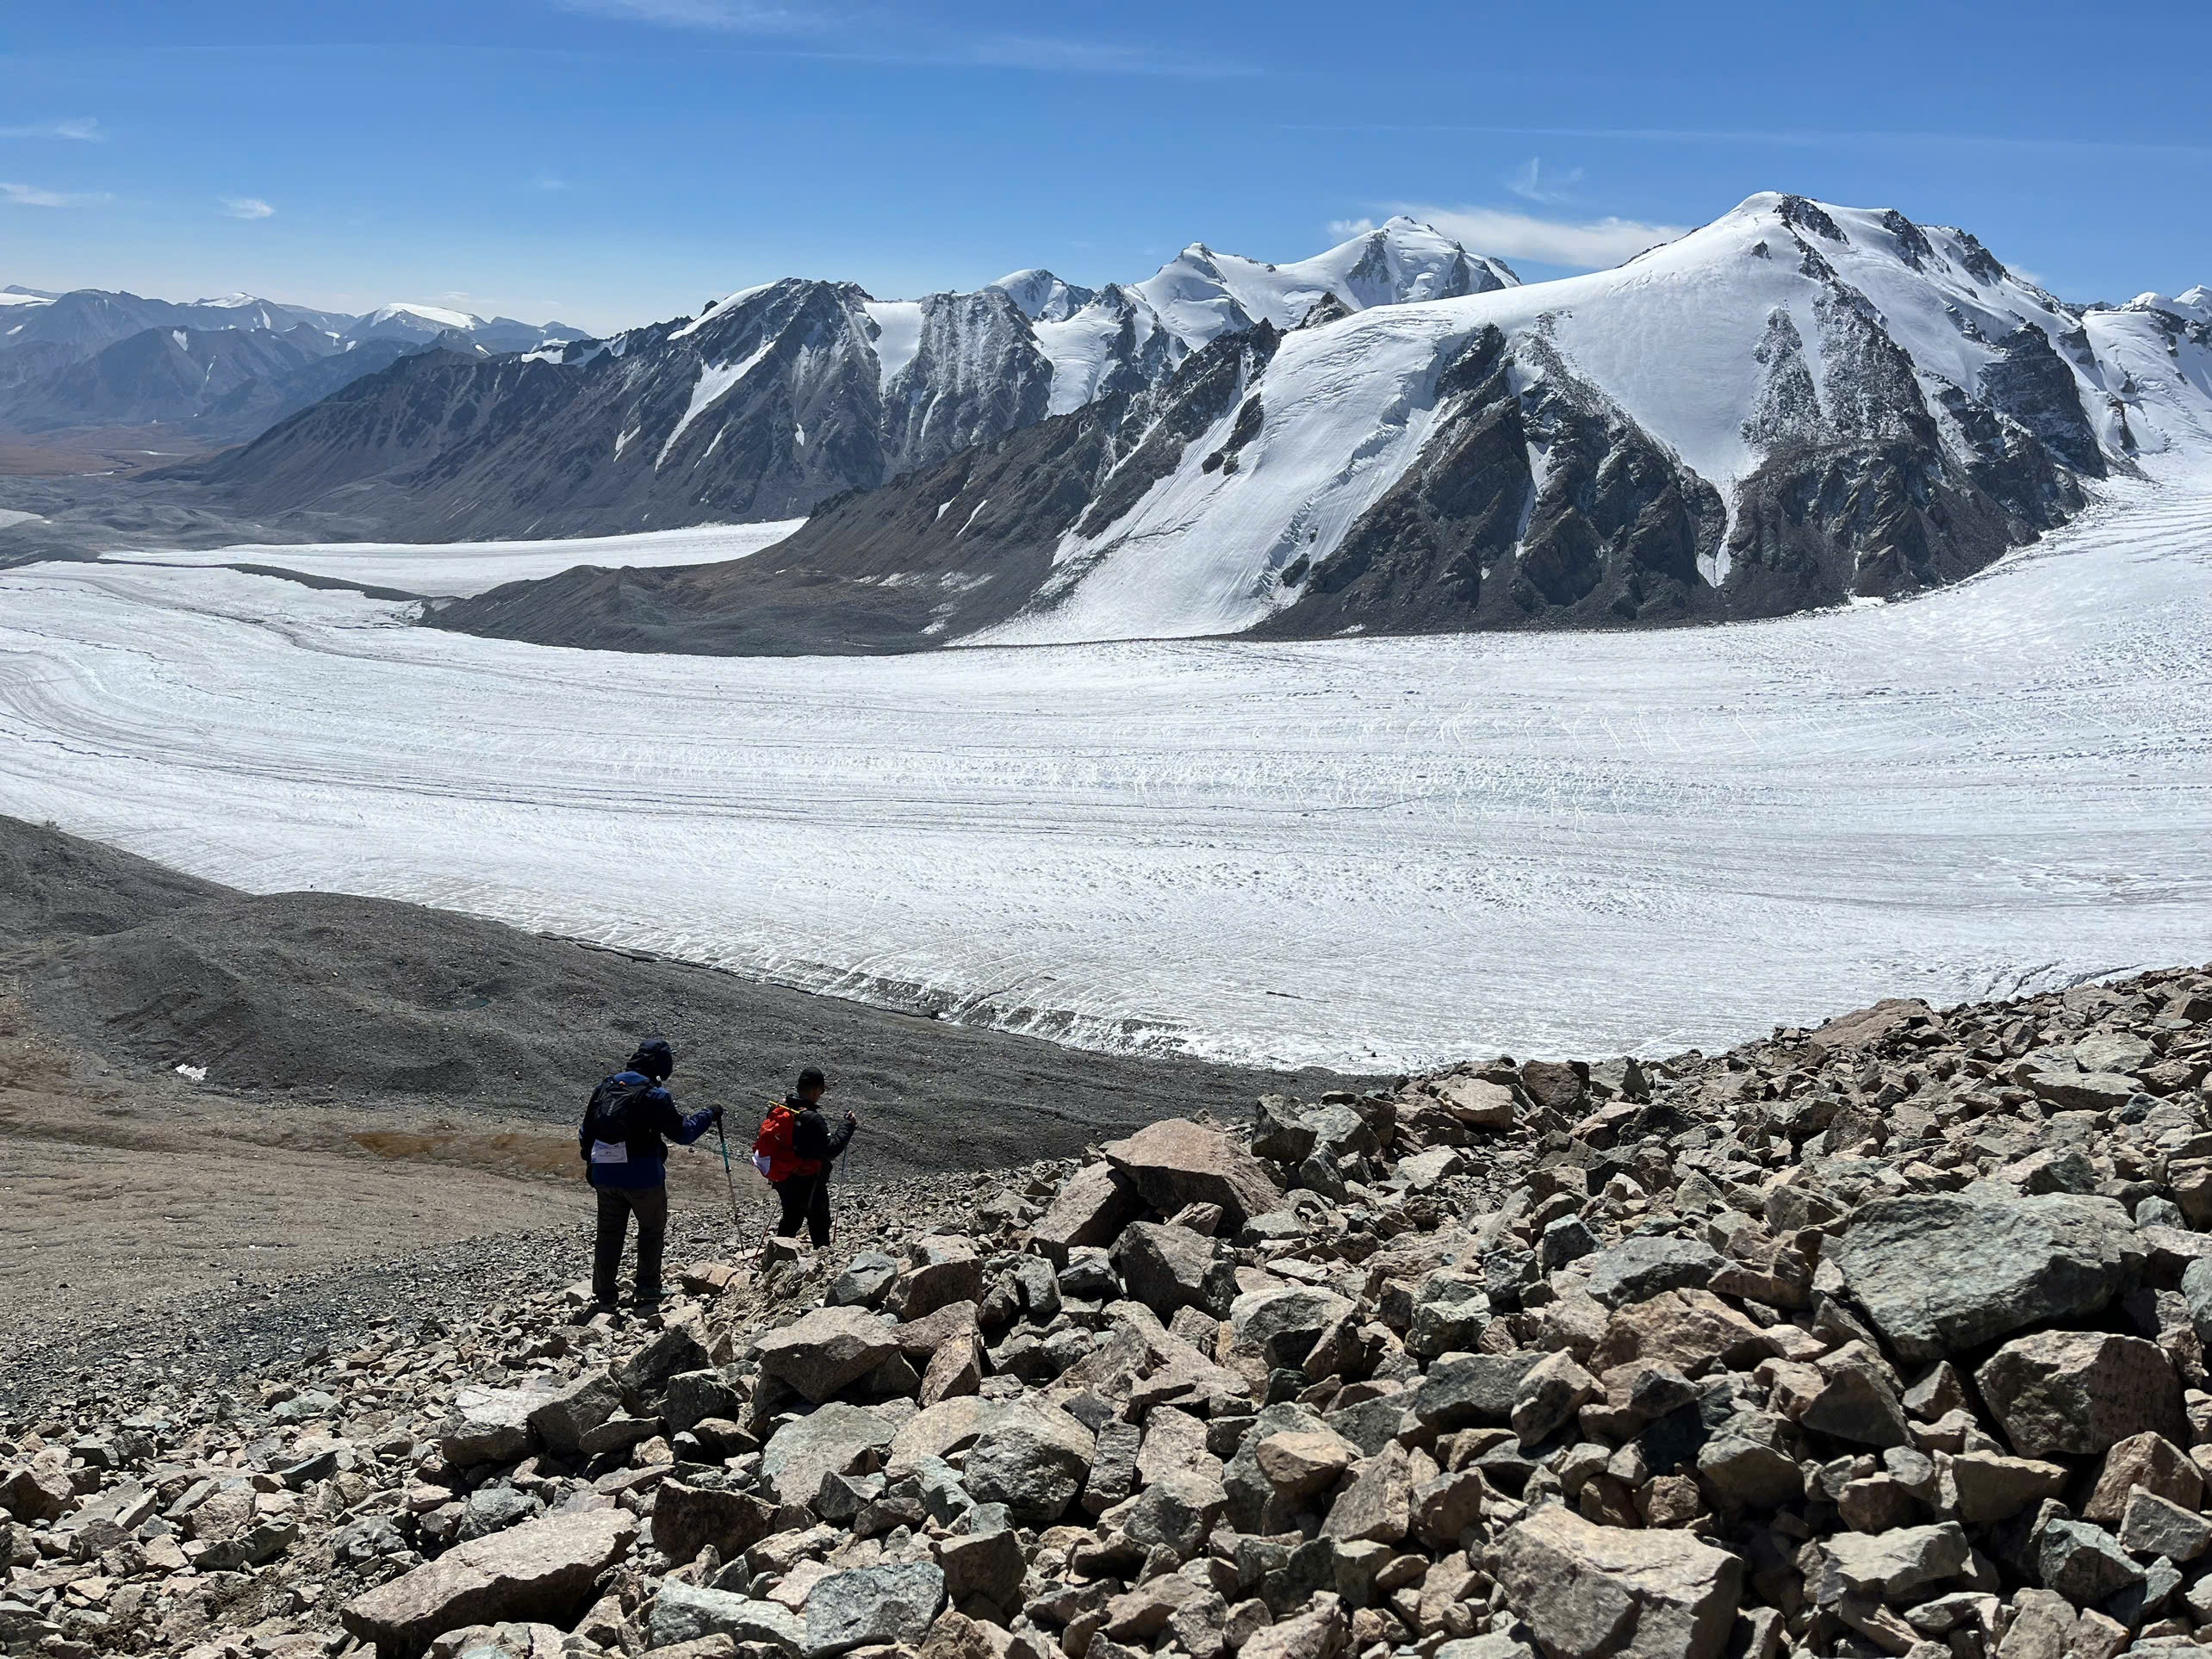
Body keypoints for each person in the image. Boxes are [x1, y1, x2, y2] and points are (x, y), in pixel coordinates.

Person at [579, 1038, 719, 1314]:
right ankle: (647, 1287)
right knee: (651, 1230)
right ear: (660, 1067)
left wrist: (590, 1164)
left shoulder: (606, 1086)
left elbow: (586, 1131)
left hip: (605, 1173)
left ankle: (605, 1294)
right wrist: (709, 1114)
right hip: (644, 1176)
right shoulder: (655, 1095)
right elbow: (683, 1133)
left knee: (608, 1233)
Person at [770, 1066, 856, 1247]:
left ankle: (776, 1257)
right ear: (816, 1089)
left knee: (790, 1219)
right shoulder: (811, 1118)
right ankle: (821, 1262)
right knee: (819, 1221)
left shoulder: (781, 1108)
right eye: (822, 1090)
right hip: (810, 1181)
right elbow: (831, 1149)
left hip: (784, 1176)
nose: (821, 1094)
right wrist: (847, 1126)